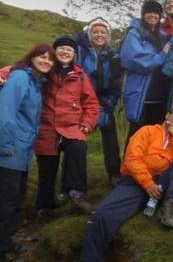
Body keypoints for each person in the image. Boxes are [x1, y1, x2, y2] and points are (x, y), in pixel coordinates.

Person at [80, 106, 173, 262]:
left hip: (161, 184)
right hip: (136, 183)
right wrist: (147, 184)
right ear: (167, 115)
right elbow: (132, 159)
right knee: (100, 215)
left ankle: (169, 207)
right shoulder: (147, 131)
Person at [34, 36, 100, 220]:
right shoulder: (45, 70)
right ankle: (44, 207)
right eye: (61, 48)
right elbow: (20, 68)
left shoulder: (80, 76)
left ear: (74, 55)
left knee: (78, 150)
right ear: (54, 51)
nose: (65, 52)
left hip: (72, 127)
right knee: (47, 169)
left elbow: (92, 103)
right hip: (47, 128)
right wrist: (4, 75)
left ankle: (76, 194)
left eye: (69, 50)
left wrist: (86, 124)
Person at [0, 43, 55, 262]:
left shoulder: (36, 83)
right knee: (7, 201)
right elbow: (5, 113)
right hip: (9, 152)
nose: (47, 61)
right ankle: (3, 248)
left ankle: (6, 242)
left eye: (50, 59)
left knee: (16, 198)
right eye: (42, 56)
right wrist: (5, 147)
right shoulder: (21, 78)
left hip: (21, 152)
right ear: (31, 57)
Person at [76, 17, 122, 186]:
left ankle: (114, 174)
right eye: (95, 31)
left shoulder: (113, 55)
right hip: (81, 102)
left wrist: (109, 103)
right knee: (77, 142)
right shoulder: (80, 51)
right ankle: (75, 183)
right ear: (89, 34)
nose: (99, 35)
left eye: (103, 32)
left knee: (110, 139)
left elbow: (117, 81)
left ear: (108, 35)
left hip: (104, 101)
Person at [120, 0, 168, 142]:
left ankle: (150, 165)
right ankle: (129, 164)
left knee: (154, 137)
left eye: (156, 13)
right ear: (143, 14)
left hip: (159, 96)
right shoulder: (134, 34)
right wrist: (162, 56)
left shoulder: (162, 36)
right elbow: (134, 58)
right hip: (141, 93)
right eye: (149, 12)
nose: (152, 15)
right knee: (137, 136)